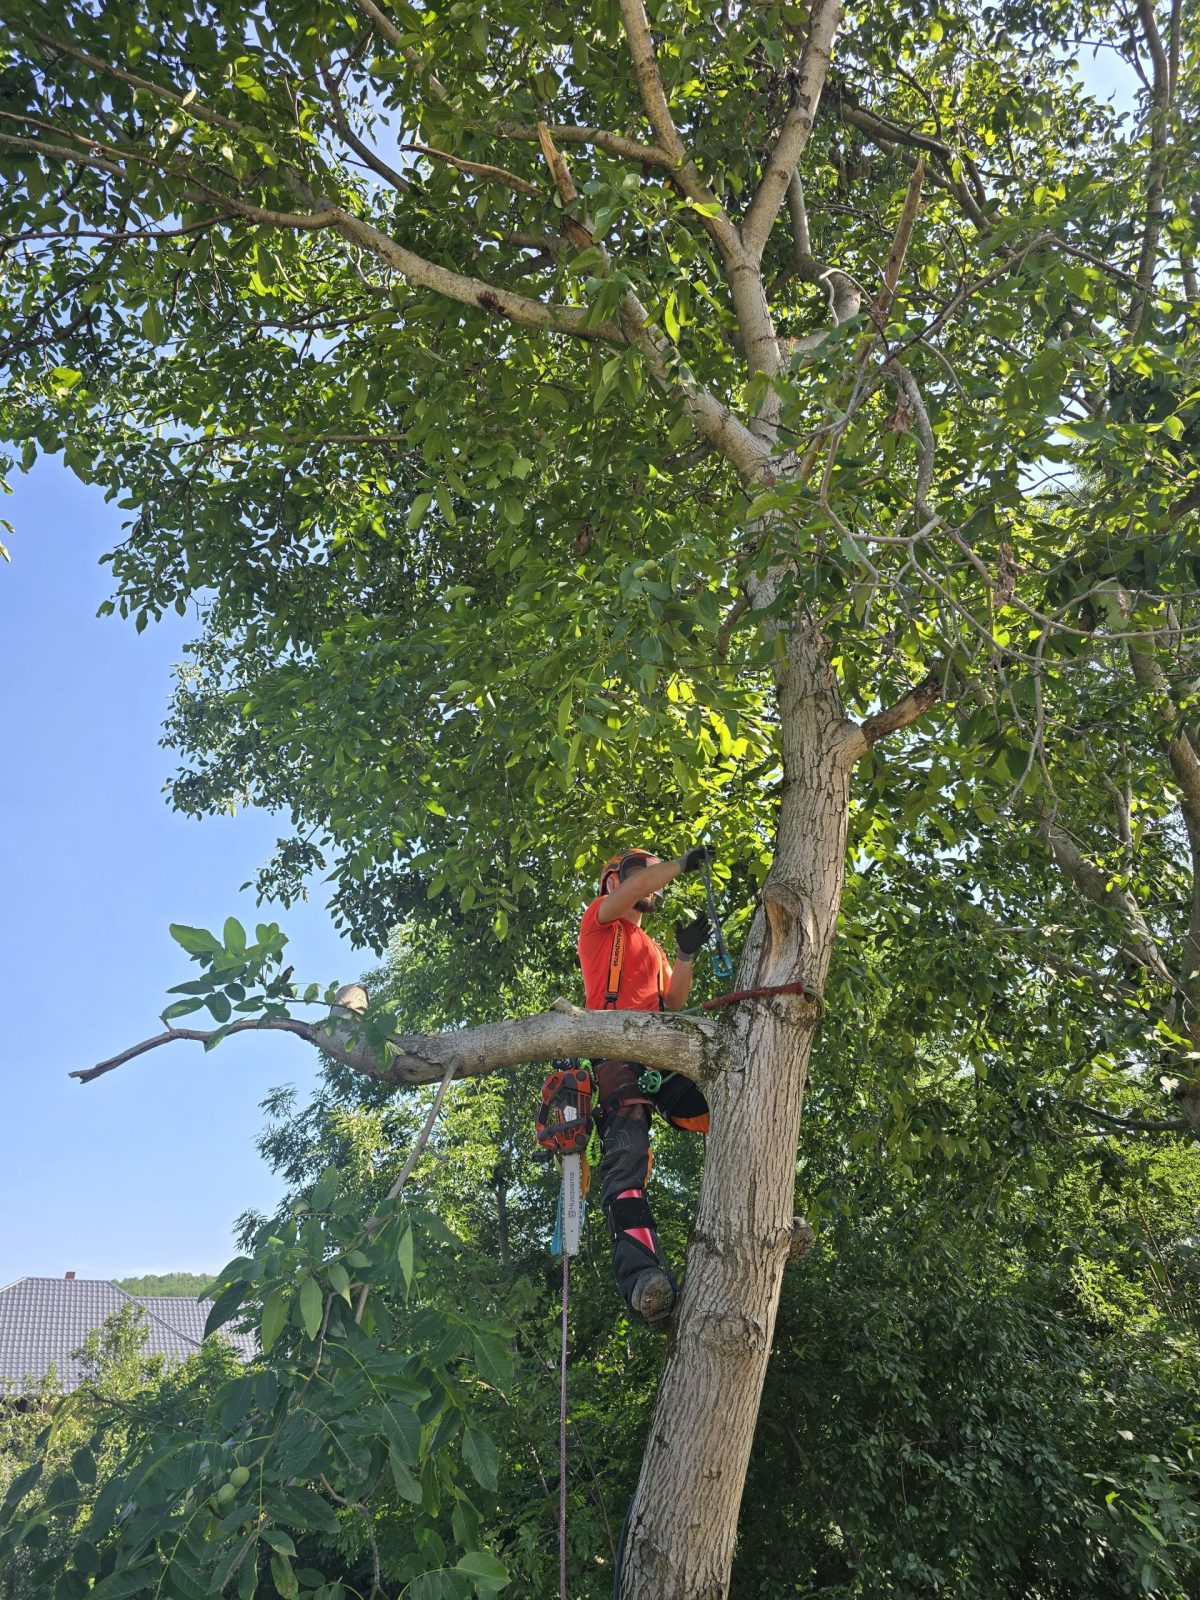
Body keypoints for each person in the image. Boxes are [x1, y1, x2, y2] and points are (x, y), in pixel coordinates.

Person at [577, 846, 714, 1331]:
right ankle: (642, 1280)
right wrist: (680, 864)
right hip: (614, 1045)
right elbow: (637, 887)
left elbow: (673, 1000)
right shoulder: (600, 921)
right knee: (627, 1156)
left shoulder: (650, 949)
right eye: (643, 873)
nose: (654, 882)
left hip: (658, 1046)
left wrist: (684, 954)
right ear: (614, 883)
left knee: (723, 1103)